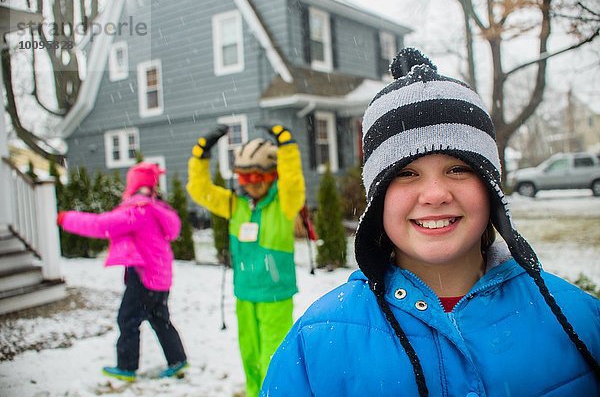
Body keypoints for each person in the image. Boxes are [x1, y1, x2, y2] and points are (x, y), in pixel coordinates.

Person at [260, 48, 600, 396]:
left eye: (458, 169)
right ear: (377, 201)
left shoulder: (580, 321)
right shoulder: (316, 343)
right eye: (406, 173)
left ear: (490, 187)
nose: (435, 194)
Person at [187, 124, 305, 397]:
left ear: (272, 175)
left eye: (256, 175)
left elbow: (293, 182)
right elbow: (200, 189)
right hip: (244, 293)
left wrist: (286, 147)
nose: (250, 183)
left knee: (273, 357)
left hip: (275, 295)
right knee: (249, 356)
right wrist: (201, 153)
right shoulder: (234, 204)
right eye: (243, 177)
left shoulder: (284, 203)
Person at [57, 162, 188, 381]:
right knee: (160, 320)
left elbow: (101, 225)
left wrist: (67, 219)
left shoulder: (137, 211)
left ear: (133, 185)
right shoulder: (155, 208)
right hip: (160, 277)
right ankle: (178, 360)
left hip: (144, 277)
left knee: (127, 319)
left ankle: (126, 367)